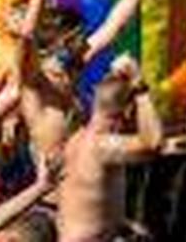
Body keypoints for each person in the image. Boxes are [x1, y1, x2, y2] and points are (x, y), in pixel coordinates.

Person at [55, 58, 161, 242]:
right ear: (128, 111)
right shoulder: (102, 146)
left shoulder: (76, 139)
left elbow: (88, 202)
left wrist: (122, 223)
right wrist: (141, 90)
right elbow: (154, 142)